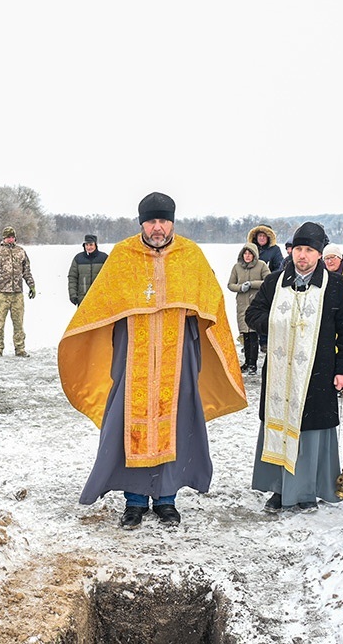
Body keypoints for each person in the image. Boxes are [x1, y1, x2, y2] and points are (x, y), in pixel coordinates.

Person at [59, 192, 246, 530]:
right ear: (142, 222)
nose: (157, 227)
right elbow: (101, 303)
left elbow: (212, 300)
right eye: (151, 221)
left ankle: (166, 499)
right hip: (133, 355)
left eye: (163, 220)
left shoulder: (190, 255)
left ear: (172, 222)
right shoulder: (123, 255)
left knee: (176, 422)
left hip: (178, 356)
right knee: (129, 421)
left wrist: (193, 305)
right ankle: (133, 501)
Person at [245, 222, 343, 513]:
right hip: (280, 374)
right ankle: (279, 488)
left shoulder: (334, 286)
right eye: (298, 249)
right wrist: (275, 323)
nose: (303, 256)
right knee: (279, 428)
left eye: (309, 250)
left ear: (320, 254)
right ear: (291, 251)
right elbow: (253, 313)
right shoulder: (275, 281)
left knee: (310, 432)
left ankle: (307, 490)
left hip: (317, 371)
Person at [0, 226, 35, 358]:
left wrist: (31, 286)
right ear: (3, 238)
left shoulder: (21, 251)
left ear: (15, 237)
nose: (10, 239)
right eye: (7, 237)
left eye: (11, 237)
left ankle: (20, 348)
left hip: (17, 293)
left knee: (18, 323)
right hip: (1, 293)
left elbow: (26, 271)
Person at [227, 242, 270, 374]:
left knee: (253, 335)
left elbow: (269, 281)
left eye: (250, 254)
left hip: (255, 305)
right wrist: (241, 287)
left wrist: (252, 284)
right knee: (245, 335)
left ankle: (253, 364)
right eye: (245, 253)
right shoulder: (237, 267)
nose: (247, 256)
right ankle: (247, 362)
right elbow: (230, 284)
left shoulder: (261, 265)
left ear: (254, 255)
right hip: (241, 306)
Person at [67, 234, 107, 305]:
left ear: (95, 245)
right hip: (83, 299)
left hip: (101, 299)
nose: (88, 247)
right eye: (86, 245)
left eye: (91, 245)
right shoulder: (78, 258)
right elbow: (72, 277)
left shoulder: (104, 258)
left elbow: (110, 277)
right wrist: (73, 295)